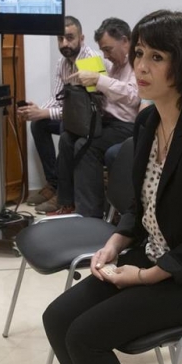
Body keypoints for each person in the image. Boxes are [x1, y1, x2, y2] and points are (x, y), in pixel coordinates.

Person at [43, 10, 182, 364]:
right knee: (57, 318)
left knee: (84, 336)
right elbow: (140, 206)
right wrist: (115, 243)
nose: (141, 66)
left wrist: (145, 276)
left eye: (156, 57)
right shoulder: (148, 120)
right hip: (156, 255)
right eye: (139, 53)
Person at [52, 18, 140, 217]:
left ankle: (90, 214)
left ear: (125, 41)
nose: (106, 55)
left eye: (108, 49)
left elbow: (133, 97)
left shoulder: (136, 64)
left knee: (86, 145)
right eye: (103, 50)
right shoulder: (114, 65)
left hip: (126, 125)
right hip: (106, 121)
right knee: (67, 137)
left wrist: (99, 80)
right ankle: (67, 203)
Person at [17, 16, 105, 211]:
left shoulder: (91, 61)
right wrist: (37, 110)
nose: (64, 43)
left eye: (70, 37)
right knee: (38, 124)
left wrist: (45, 113)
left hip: (90, 121)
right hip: (73, 117)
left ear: (81, 38)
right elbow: (58, 98)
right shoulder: (62, 63)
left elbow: (88, 110)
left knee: (64, 129)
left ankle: (63, 194)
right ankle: (54, 183)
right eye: (60, 39)